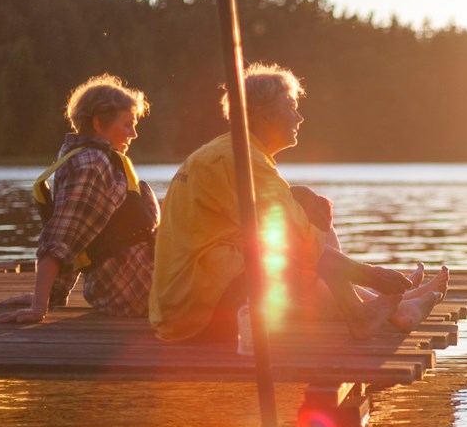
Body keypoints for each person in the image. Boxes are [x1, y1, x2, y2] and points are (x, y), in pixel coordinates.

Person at [150, 62, 448, 342]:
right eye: (291, 107)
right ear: (262, 114)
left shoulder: (232, 153)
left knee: (305, 208)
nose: (299, 117)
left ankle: (376, 307)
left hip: (190, 300)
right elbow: (300, 242)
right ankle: (387, 308)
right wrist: (373, 274)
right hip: (199, 316)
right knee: (304, 231)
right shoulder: (241, 160)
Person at [0, 75, 158, 323]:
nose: (133, 134)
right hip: (135, 288)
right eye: (127, 125)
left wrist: (52, 295)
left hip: (127, 285)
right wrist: (38, 306)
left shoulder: (78, 156)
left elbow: (79, 234)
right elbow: (60, 239)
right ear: (99, 123)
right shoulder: (92, 163)